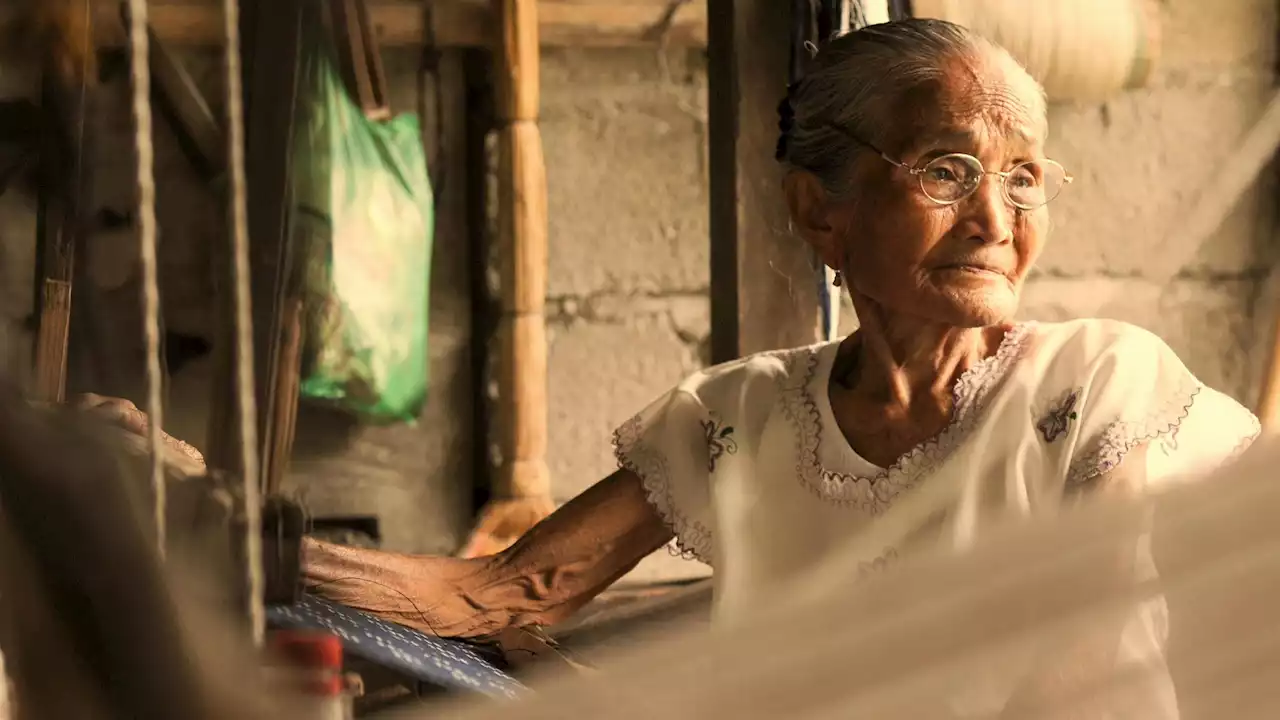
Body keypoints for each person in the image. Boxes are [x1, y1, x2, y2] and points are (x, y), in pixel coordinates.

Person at [302, 18, 1261, 713]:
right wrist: (236, 532)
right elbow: (508, 593)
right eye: (946, 169)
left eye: (1022, 175)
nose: (996, 221)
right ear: (819, 212)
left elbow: (1081, 657)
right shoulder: (738, 419)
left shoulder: (1094, 386)